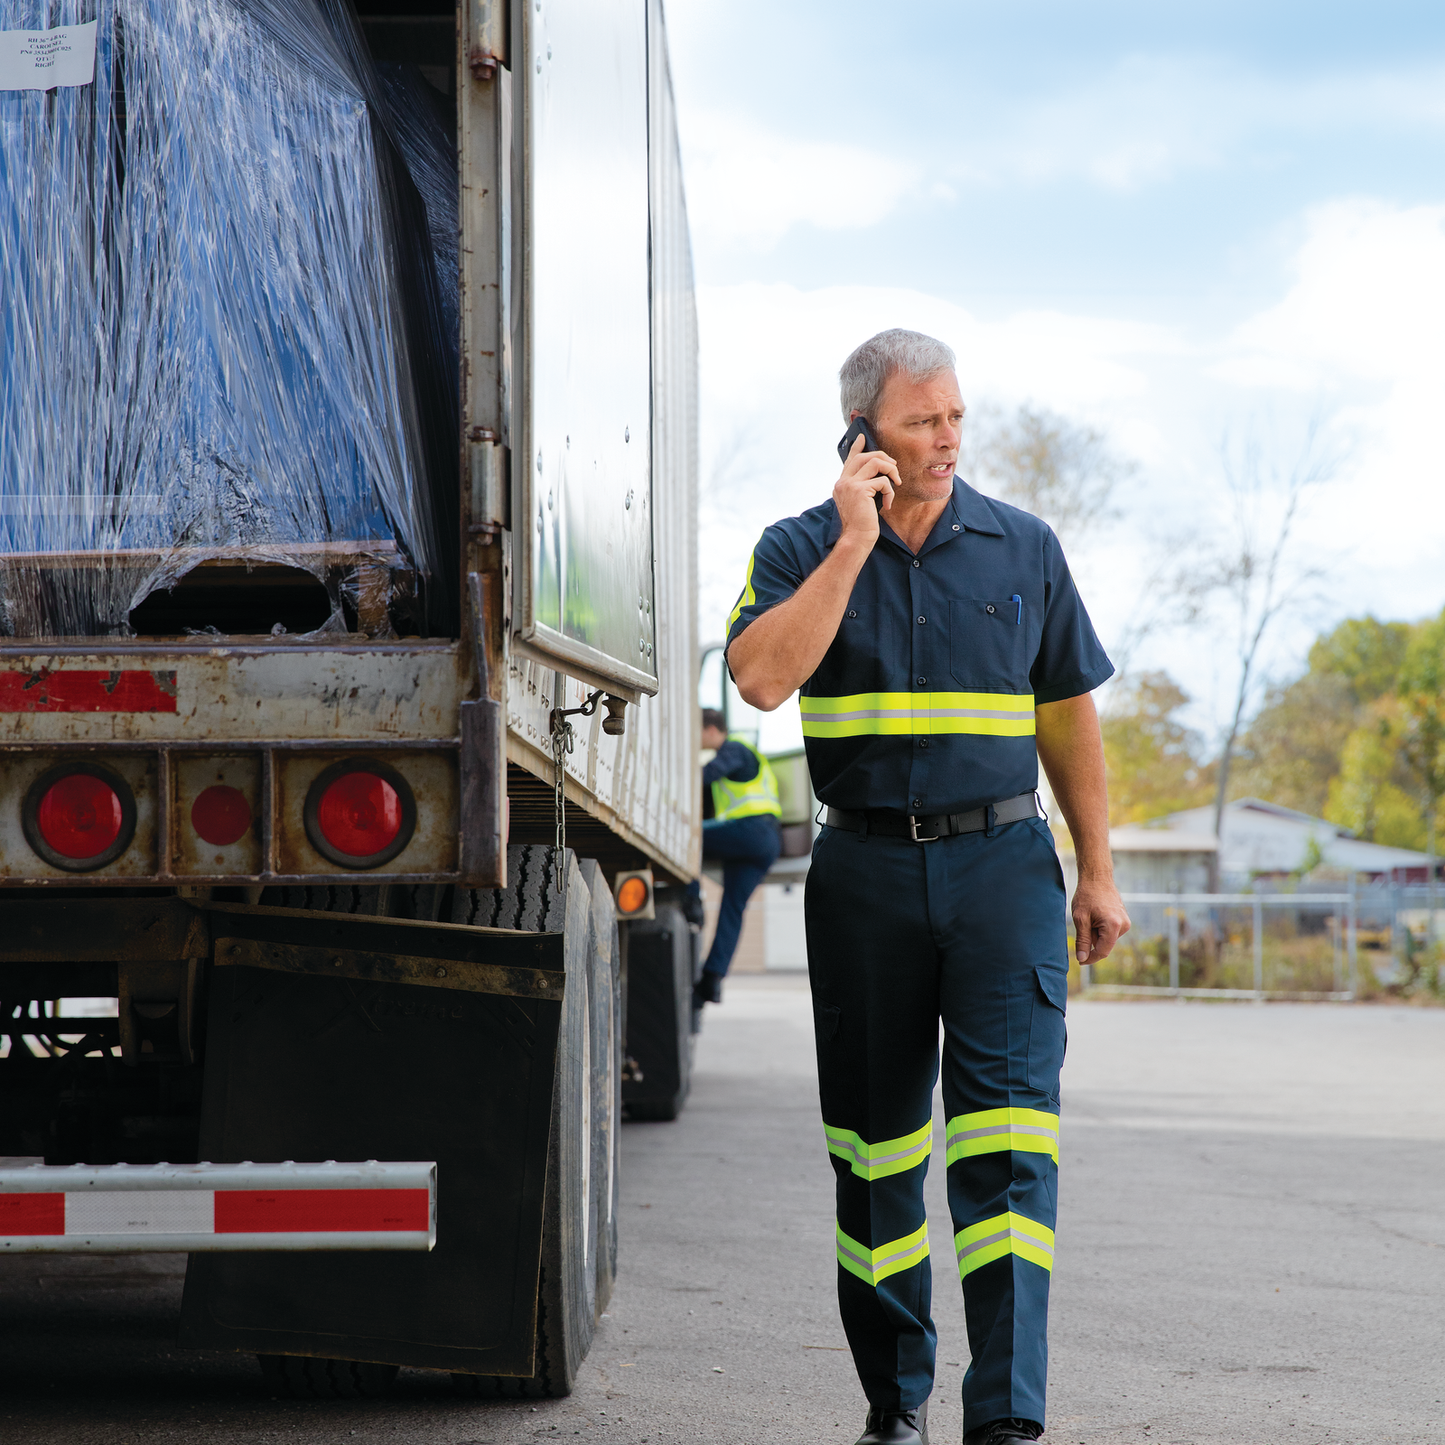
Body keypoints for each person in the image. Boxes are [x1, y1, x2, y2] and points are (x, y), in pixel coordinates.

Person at [725, 329, 1130, 1445]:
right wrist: (852, 542)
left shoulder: (1022, 547)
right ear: (860, 433)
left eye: (954, 415)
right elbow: (759, 678)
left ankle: (1003, 1414)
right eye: (920, 421)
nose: (946, 438)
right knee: (876, 1154)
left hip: (1001, 868)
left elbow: (1065, 713)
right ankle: (892, 1398)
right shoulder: (794, 547)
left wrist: (1094, 868)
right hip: (859, 874)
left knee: (1004, 1148)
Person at [685, 708, 782, 1006]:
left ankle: (691, 903)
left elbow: (707, 774)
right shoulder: (748, 756)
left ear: (711, 730)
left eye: (697, 732)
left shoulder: (736, 748)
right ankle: (711, 982)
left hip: (751, 832)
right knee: (732, 909)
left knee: (689, 838)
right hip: (764, 843)